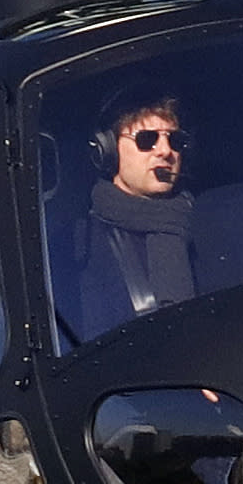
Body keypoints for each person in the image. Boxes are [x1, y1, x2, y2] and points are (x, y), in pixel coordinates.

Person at [77, 95, 196, 337]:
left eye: (174, 140)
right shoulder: (82, 245)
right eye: (147, 139)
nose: (165, 151)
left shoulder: (206, 219)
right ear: (108, 151)